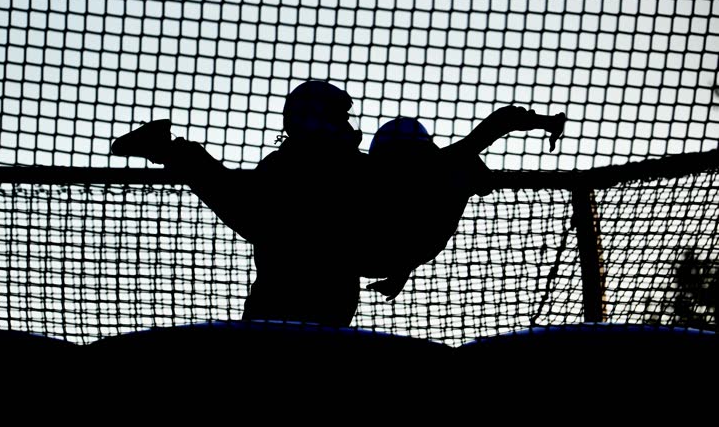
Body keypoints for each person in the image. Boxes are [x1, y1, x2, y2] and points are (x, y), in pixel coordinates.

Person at [112, 80, 368, 327]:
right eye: (339, 117)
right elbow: (250, 215)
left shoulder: (329, 165)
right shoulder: (316, 166)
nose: (347, 124)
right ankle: (169, 149)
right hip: (292, 308)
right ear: (316, 120)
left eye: (346, 117)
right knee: (242, 205)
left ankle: (168, 149)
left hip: (294, 310)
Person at [364, 107, 566, 301]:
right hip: (385, 253)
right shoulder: (434, 167)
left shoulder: (428, 170)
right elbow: (500, 123)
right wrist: (546, 122)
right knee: (464, 165)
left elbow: (409, 224)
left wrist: (401, 271)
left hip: (382, 255)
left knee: (464, 166)